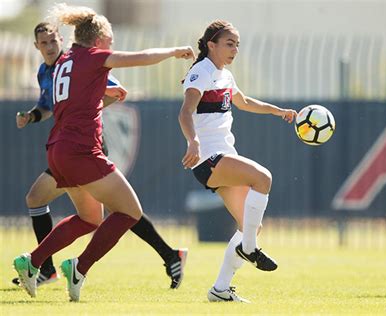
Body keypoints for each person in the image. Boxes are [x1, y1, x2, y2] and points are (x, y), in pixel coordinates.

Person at [13, 4, 195, 302]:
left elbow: (77, 100)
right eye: (110, 40)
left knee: (90, 218)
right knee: (130, 211)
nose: (112, 45)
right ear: (98, 39)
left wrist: (101, 95)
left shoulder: (64, 62)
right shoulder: (93, 55)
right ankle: (77, 266)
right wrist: (176, 51)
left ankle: (33, 262)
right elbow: (141, 58)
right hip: (82, 151)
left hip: (58, 150)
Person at [178, 20, 297, 303]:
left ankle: (220, 289)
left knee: (250, 228)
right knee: (263, 178)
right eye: (229, 44)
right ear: (211, 45)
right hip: (208, 158)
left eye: (237, 45)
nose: (235, 50)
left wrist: (277, 111)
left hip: (224, 156)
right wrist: (192, 141)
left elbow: (244, 101)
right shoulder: (201, 72)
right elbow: (185, 112)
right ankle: (250, 250)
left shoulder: (225, 76)